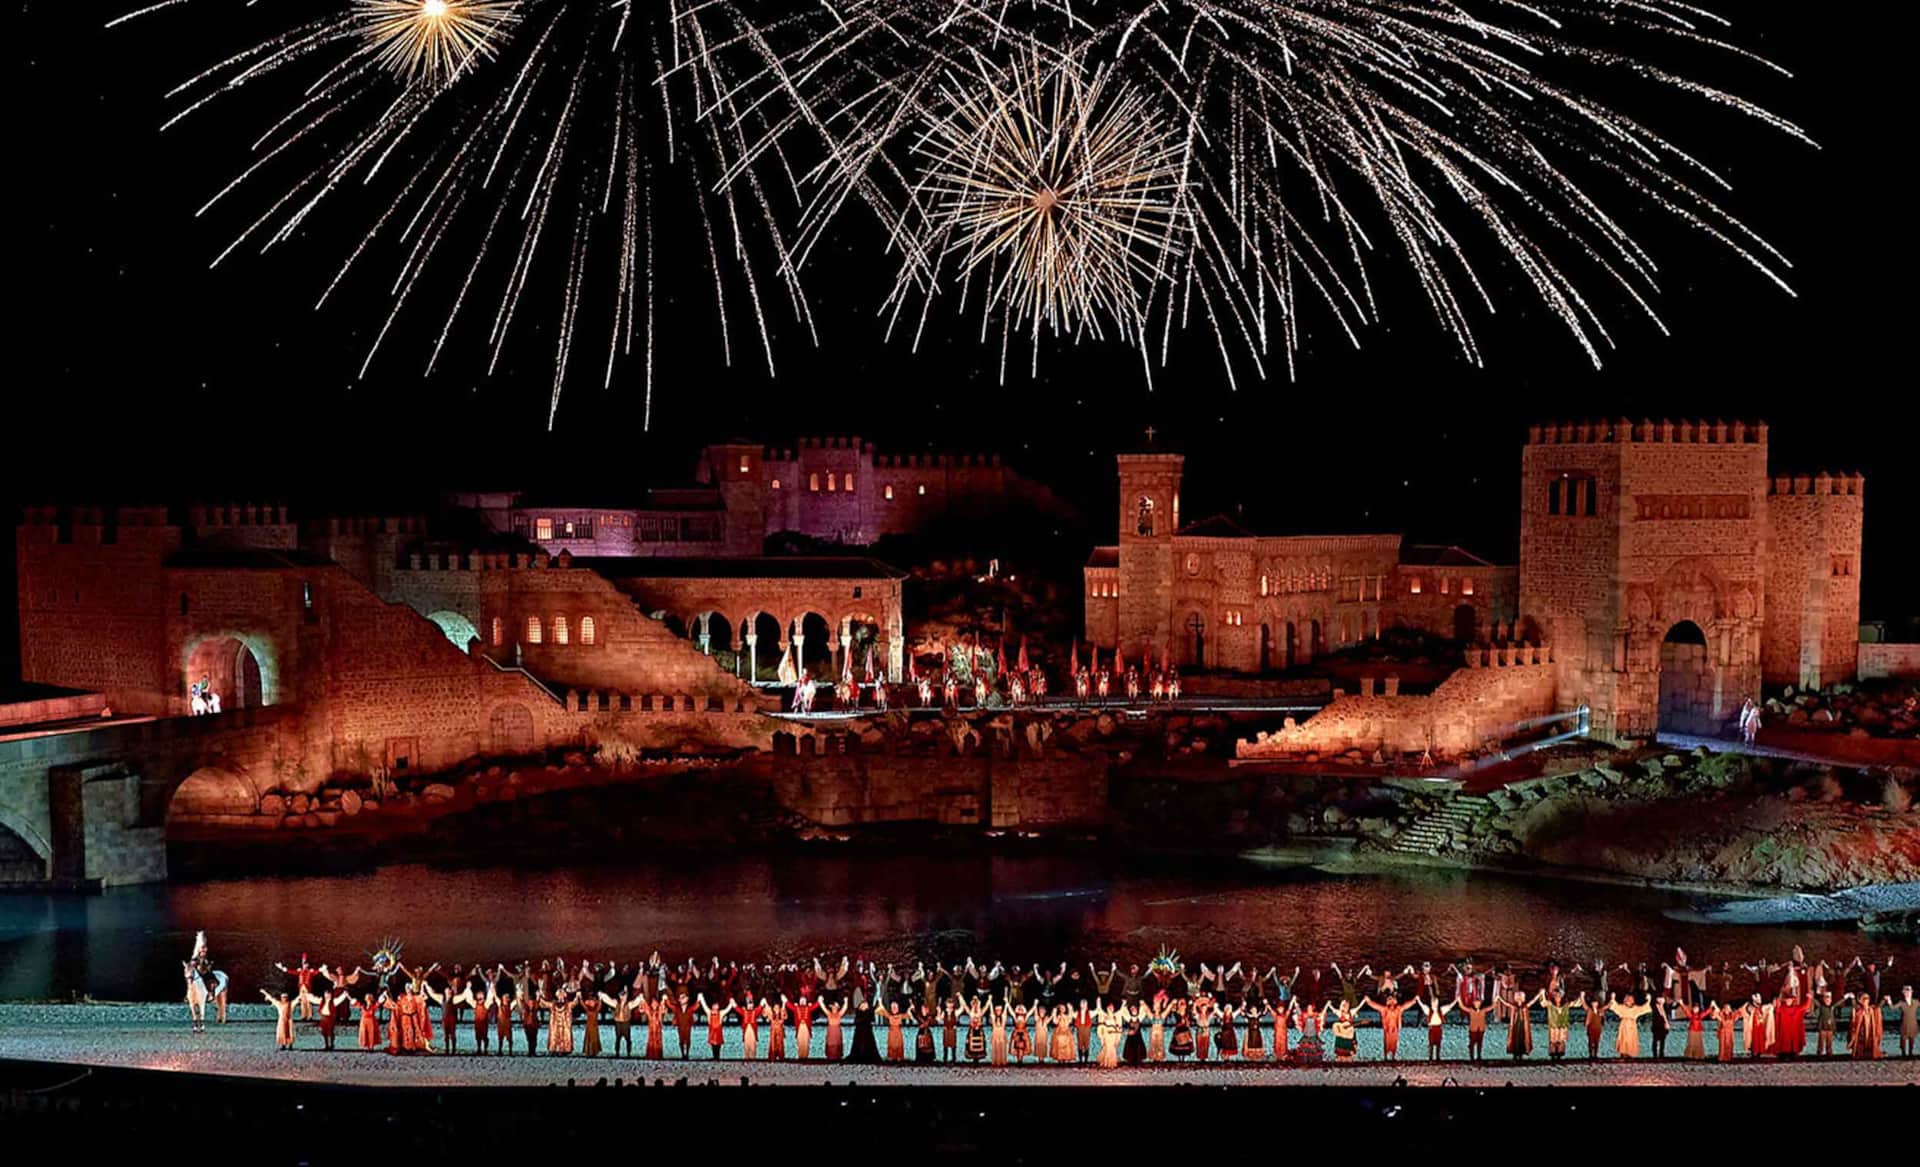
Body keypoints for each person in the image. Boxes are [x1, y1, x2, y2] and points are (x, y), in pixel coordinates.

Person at [1362, 991, 1416, 1062]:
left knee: (1394, 1042)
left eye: (1392, 1000)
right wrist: (1369, 1001)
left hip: (1395, 1028)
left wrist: (1413, 1001)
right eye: (1389, 1000)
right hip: (1388, 1029)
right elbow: (1376, 1006)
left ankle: (1393, 1056)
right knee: (1387, 1041)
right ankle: (1386, 1057)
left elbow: (1405, 1005)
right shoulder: (1384, 1009)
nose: (1391, 1002)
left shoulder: (1398, 1009)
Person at [1607, 993, 1651, 1058]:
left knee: (1631, 1041)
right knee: (1623, 1040)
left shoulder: (1635, 1008)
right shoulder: (1622, 1007)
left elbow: (1644, 1008)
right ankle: (1623, 1054)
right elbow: (1614, 1006)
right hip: (1624, 1026)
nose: (1628, 1001)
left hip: (1632, 1027)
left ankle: (1630, 1054)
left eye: (1630, 999)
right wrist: (1613, 998)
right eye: (1627, 999)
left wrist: (1649, 1000)